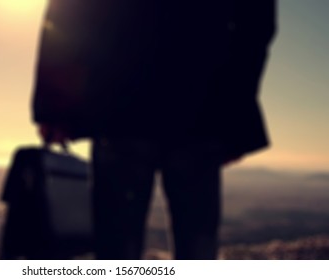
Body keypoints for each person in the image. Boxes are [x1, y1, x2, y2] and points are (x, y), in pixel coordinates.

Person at [32, 0, 277, 259]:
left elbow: (68, 14)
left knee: (117, 248)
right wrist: (235, 117)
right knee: (196, 249)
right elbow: (254, 26)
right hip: (198, 106)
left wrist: (55, 105)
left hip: (121, 104)